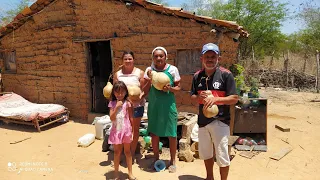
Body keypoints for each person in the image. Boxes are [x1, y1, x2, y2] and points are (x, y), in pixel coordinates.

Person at [190, 43, 238, 180]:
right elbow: (192, 96)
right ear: (202, 58)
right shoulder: (197, 76)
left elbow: (234, 98)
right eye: (207, 56)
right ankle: (209, 177)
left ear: (219, 58)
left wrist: (216, 100)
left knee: (222, 154)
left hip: (221, 121)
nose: (210, 59)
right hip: (203, 122)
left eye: (213, 56)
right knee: (206, 153)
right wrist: (198, 97)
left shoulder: (226, 75)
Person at [144, 47, 181, 173]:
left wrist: (170, 88)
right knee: (154, 133)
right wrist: (149, 80)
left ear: (166, 57)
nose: (158, 58)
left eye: (161, 56)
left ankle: (173, 161)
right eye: (156, 56)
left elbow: (179, 88)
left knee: (172, 133)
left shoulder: (172, 70)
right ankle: (155, 158)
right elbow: (144, 88)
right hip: (154, 105)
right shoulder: (149, 70)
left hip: (168, 105)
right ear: (153, 58)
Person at [113, 51, 145, 161]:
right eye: (125, 59)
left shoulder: (140, 73)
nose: (128, 61)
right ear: (122, 60)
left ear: (134, 59)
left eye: (130, 58)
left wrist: (140, 97)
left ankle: (130, 154)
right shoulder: (117, 74)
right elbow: (115, 90)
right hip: (122, 107)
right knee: (121, 128)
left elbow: (144, 88)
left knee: (135, 129)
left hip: (137, 106)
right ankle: (122, 152)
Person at [108, 81, 135, 180]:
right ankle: (116, 174)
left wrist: (132, 130)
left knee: (127, 152)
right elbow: (111, 117)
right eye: (117, 92)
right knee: (117, 152)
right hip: (117, 131)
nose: (120, 95)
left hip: (126, 130)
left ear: (125, 92)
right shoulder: (112, 103)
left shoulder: (128, 103)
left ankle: (130, 173)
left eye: (122, 92)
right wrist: (116, 108)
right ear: (114, 93)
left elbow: (131, 117)